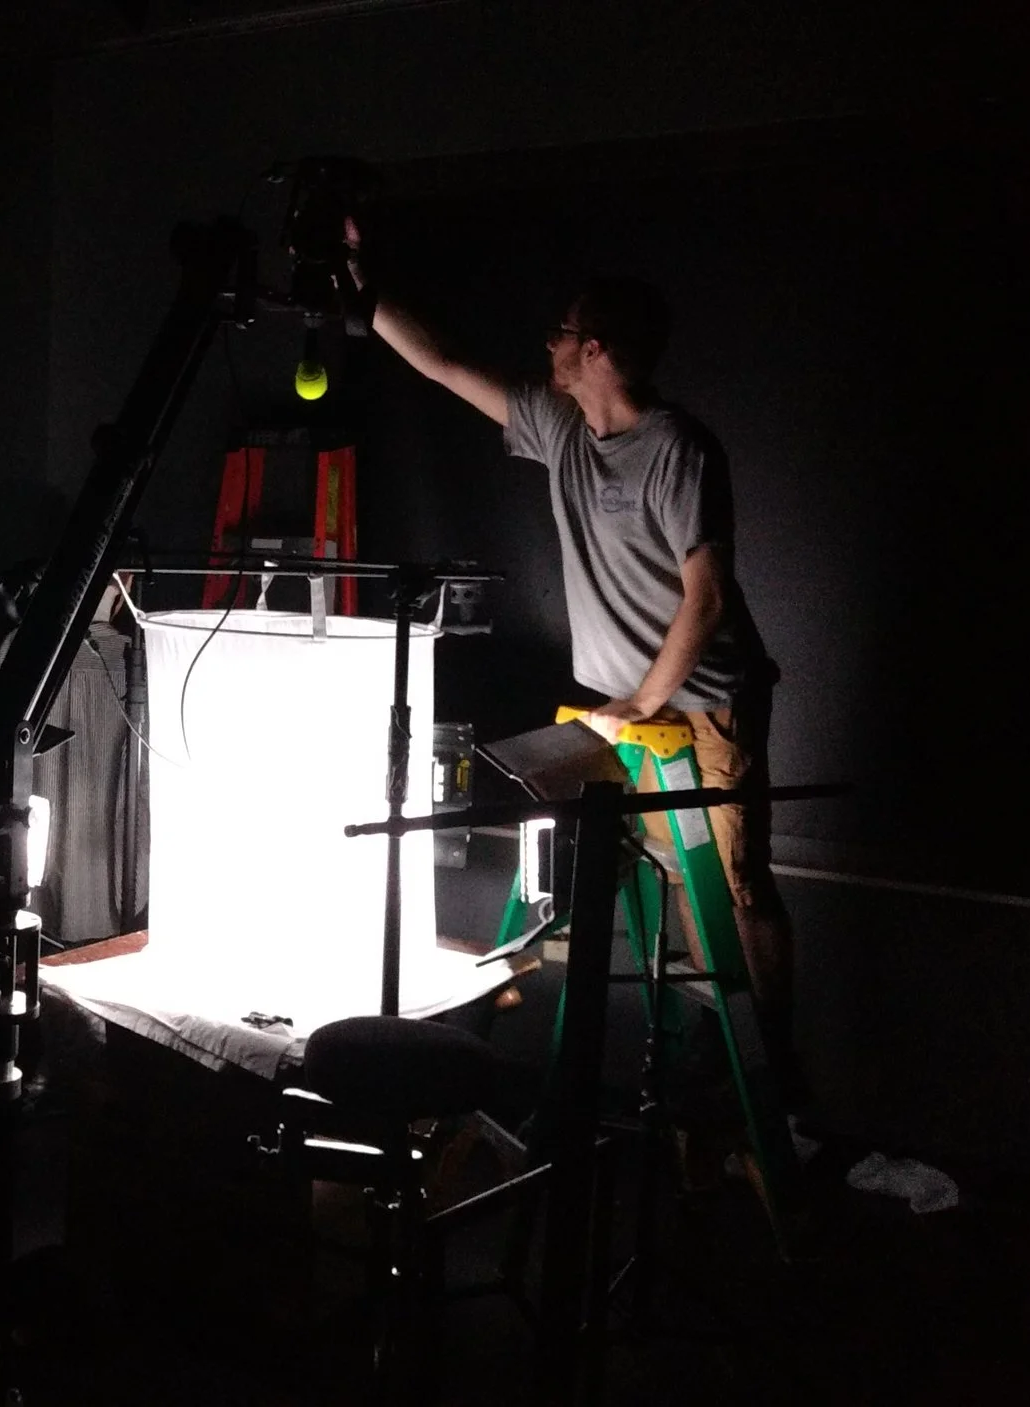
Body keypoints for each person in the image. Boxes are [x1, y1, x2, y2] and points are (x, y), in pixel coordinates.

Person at [344, 218, 805, 1111]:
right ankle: (700, 1055)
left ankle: (770, 1068)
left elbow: (707, 596)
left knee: (736, 885)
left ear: (593, 349)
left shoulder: (678, 448)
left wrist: (643, 702)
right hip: (624, 707)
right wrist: (361, 280)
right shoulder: (559, 428)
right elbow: (442, 363)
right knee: (667, 878)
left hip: (705, 707)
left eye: (562, 332)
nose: (547, 344)